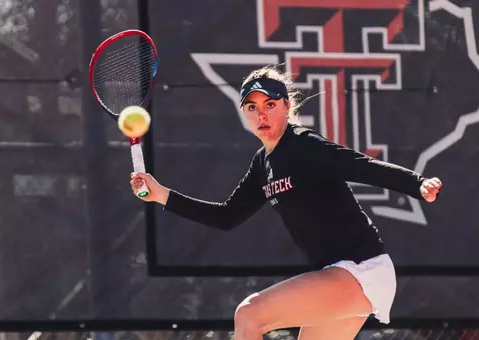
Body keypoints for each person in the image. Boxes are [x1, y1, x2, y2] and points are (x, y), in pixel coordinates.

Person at [130, 65, 443, 340]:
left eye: (269, 103)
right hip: (339, 276)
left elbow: (359, 165)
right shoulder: (262, 163)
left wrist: (417, 184)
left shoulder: (303, 144)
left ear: (287, 105)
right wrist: (161, 195)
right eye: (252, 107)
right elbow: (227, 217)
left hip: (362, 269)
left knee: (248, 315)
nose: (261, 113)